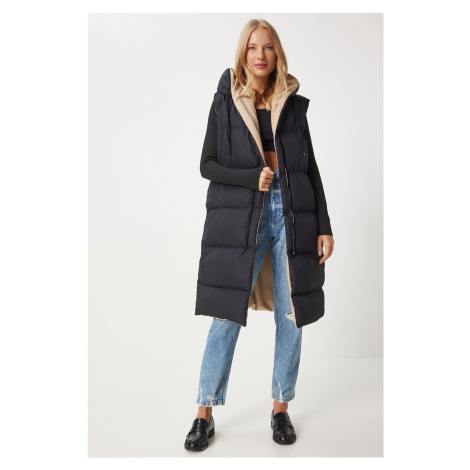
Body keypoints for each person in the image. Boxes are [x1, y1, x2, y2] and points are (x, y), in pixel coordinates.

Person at [185, 19, 335, 452]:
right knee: (226, 315)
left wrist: (324, 225)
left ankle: (280, 408)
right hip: (244, 215)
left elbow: (310, 167)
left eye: (268, 47)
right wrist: (252, 177)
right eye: (253, 47)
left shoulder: (292, 103)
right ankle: (204, 413)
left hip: (292, 211)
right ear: (243, 52)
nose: (260, 55)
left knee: (291, 313)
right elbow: (207, 164)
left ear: (277, 52)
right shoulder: (228, 97)